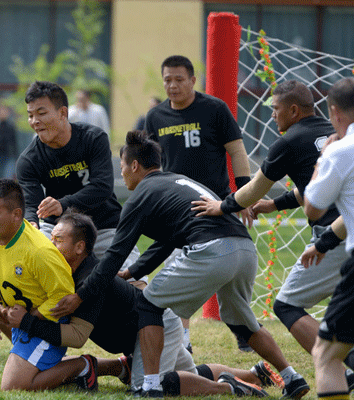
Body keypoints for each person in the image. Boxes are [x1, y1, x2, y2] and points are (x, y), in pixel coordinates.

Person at [51, 131, 309, 399]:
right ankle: (291, 377)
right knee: (242, 322)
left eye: (123, 166)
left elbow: (114, 255)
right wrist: (133, 272)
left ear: (135, 166)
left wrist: (80, 296)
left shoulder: (141, 195)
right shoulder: (178, 181)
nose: (123, 172)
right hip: (244, 248)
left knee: (149, 304)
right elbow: (168, 241)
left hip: (212, 249)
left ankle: (150, 385)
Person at [7, 209, 281, 397]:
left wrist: (28, 322)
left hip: (158, 326)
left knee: (148, 386)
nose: (51, 244)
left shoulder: (90, 279)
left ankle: (229, 389)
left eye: (58, 239)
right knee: (188, 374)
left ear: (79, 247)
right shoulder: (67, 271)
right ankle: (254, 374)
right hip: (154, 328)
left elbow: (77, 337)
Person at [190, 79, 354, 387]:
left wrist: (221, 207)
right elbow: (311, 187)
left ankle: (341, 367)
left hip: (335, 239)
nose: (272, 116)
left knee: (287, 305)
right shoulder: (332, 136)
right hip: (342, 232)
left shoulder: (290, 142)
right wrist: (273, 205)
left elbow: (255, 188)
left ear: (293, 110)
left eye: (275, 109)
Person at [144, 55, 253, 353]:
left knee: (230, 272)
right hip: (176, 209)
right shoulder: (155, 117)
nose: (173, 85)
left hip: (215, 204)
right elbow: (149, 163)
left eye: (179, 79)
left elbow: (238, 152)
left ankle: (246, 331)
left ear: (193, 80)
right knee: (180, 275)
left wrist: (243, 196)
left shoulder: (214, 109)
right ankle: (185, 343)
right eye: (167, 79)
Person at [16, 81, 145, 289]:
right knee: (33, 268)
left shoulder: (93, 138)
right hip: (57, 228)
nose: (35, 121)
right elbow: (32, 205)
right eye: (31, 115)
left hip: (104, 224)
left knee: (134, 285)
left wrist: (62, 204)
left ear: (62, 112)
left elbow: (102, 187)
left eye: (41, 113)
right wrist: (32, 222)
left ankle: (152, 320)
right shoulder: (29, 160)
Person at [0, 179, 105, 392]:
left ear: (17, 214)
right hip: (19, 317)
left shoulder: (40, 252)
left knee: (13, 387)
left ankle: (81, 366)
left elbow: (64, 297)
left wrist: (31, 318)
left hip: (45, 323)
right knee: (3, 321)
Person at [303, 76, 354, 400]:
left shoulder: (341, 151)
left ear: (334, 112)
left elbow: (313, 208)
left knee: (326, 353)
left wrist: (323, 159)